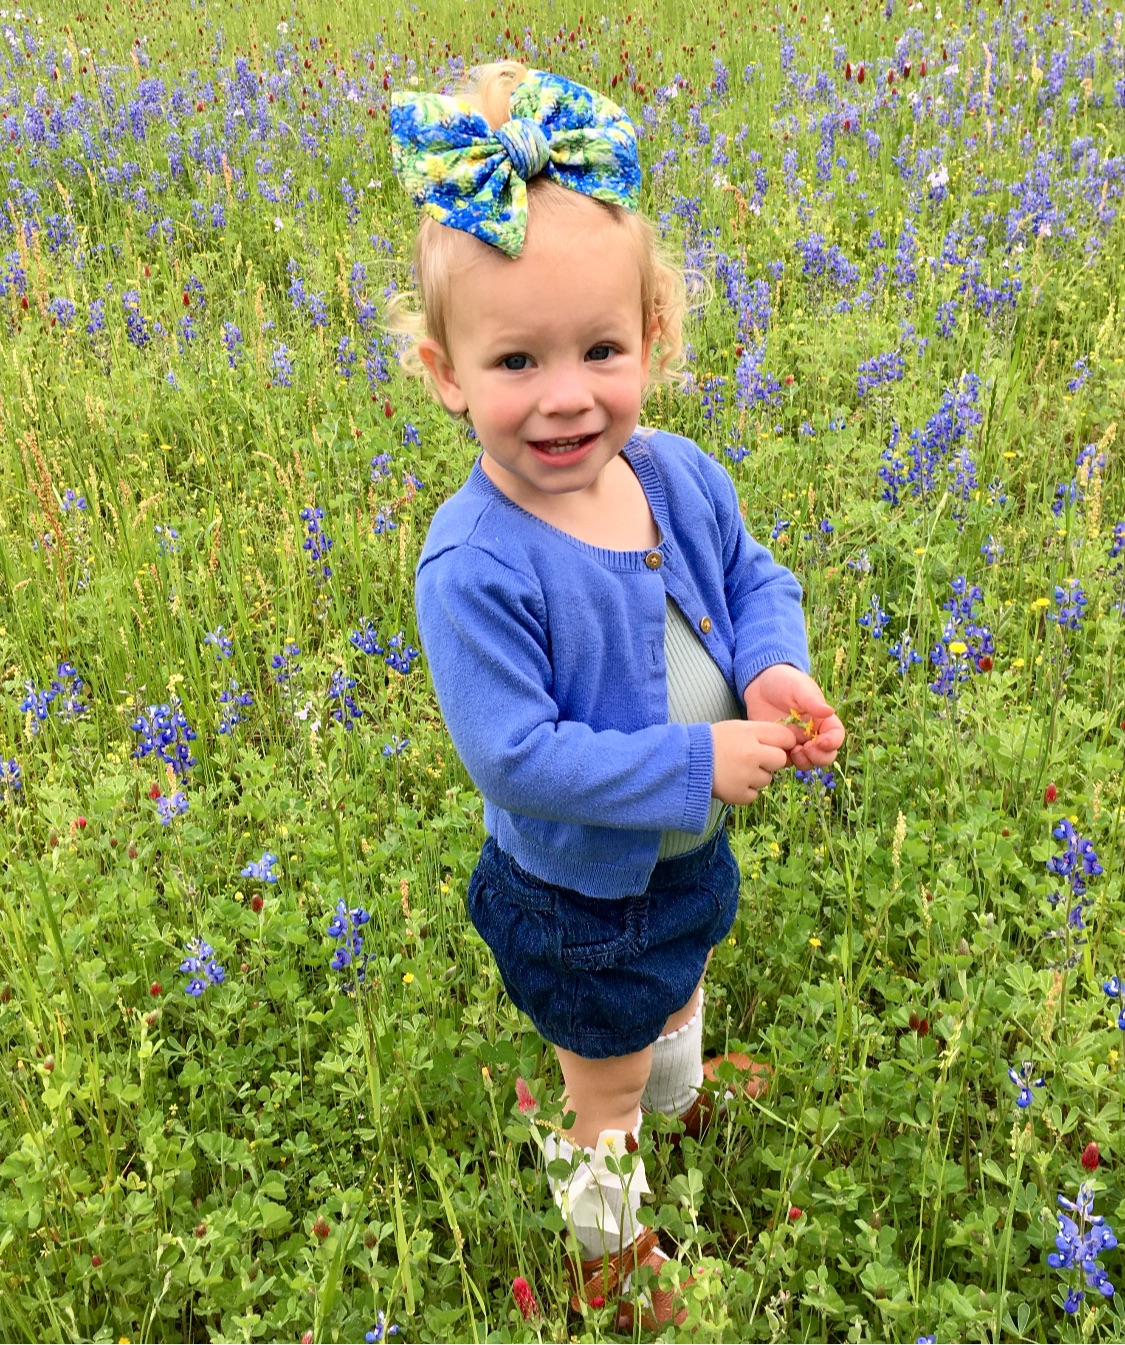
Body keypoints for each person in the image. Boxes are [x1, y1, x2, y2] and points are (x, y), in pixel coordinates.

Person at [389, 61, 844, 1331]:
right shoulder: (475, 561)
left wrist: (770, 666)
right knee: (601, 1076)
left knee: (685, 976)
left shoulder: (680, 475)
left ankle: (683, 1092)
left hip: (683, 859)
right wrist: (696, 764)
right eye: (516, 359)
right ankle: (608, 1245)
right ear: (445, 372)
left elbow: (753, 578)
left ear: (654, 337)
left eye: (600, 348)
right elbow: (516, 755)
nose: (567, 394)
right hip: (577, 895)